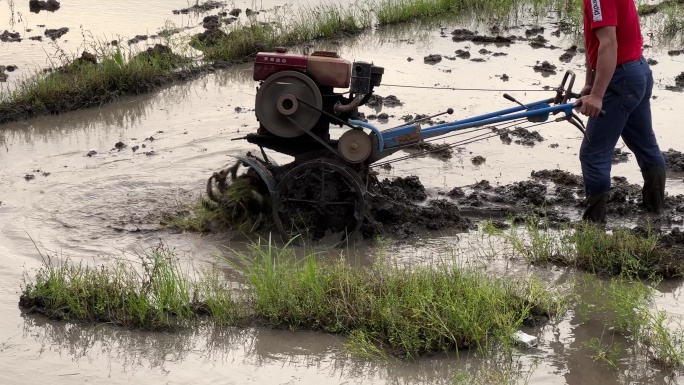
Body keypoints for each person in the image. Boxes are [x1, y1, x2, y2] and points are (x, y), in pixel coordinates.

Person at [574, 0, 667, 224]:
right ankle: (655, 212)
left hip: (620, 78)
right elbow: (596, 43)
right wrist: (590, 83)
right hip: (638, 71)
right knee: (645, 144)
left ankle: (594, 225)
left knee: (593, 153)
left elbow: (609, 45)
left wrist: (597, 95)